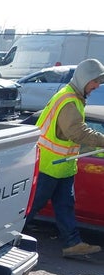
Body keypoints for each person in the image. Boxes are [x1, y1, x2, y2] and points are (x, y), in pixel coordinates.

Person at [26, 58, 104, 257]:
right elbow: (77, 132)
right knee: (32, 206)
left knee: (64, 206)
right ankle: (4, 240)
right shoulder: (69, 100)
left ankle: (72, 243)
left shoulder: (73, 97)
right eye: (95, 81)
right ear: (85, 78)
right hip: (49, 166)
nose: (97, 86)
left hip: (61, 167)